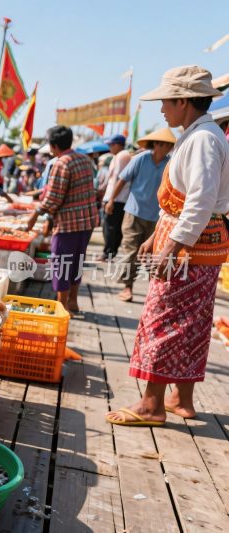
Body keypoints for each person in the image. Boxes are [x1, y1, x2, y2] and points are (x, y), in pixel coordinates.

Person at [106, 66, 229, 427]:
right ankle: (182, 398)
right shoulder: (201, 135)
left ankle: (151, 404)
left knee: (164, 321)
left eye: (165, 102)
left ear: (183, 101)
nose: (162, 110)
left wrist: (171, 246)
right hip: (197, 245)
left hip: (190, 249)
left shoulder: (203, 138)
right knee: (192, 322)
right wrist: (154, 236)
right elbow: (184, 202)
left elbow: (201, 200)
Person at [26, 126, 100, 313]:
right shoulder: (84, 160)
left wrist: (35, 214)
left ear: (53, 145)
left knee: (61, 265)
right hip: (87, 221)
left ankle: (62, 308)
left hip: (68, 224)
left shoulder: (61, 163)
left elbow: (53, 199)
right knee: (76, 262)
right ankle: (73, 302)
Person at [107, 128, 175, 302]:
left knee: (153, 254)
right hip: (134, 212)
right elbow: (122, 180)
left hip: (156, 217)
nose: (168, 148)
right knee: (130, 250)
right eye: (166, 144)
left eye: (170, 145)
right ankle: (127, 286)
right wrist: (111, 200)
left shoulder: (170, 164)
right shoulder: (140, 159)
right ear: (157, 144)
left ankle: (154, 289)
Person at [99, 134, 132, 260]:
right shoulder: (117, 156)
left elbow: (119, 178)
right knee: (112, 227)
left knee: (111, 227)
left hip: (117, 198)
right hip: (116, 197)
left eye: (111, 145)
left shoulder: (122, 156)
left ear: (118, 144)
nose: (110, 147)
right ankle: (109, 253)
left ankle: (108, 253)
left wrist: (111, 199)